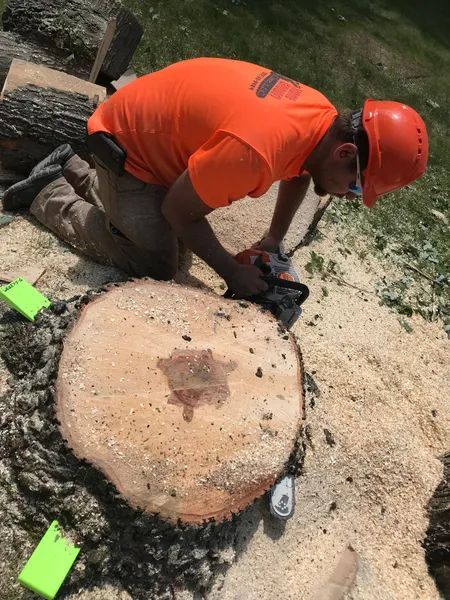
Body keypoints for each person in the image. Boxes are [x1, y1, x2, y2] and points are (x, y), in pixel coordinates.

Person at [2, 58, 428, 298]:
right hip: (127, 145)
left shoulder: (319, 120)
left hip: (156, 137)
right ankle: (48, 191)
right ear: (347, 152)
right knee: (161, 262)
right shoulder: (254, 152)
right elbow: (178, 211)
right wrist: (231, 272)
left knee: (173, 233)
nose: (352, 196)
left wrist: (272, 241)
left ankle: (75, 169)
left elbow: (299, 175)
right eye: (356, 186)